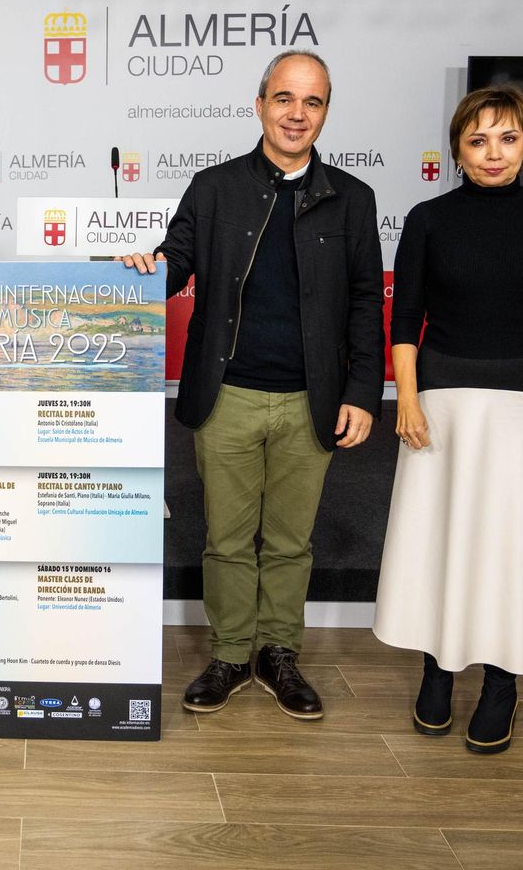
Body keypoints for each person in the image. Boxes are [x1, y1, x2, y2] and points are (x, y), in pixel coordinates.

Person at [121, 49, 384, 720]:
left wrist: (361, 392)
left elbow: (363, 302)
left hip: (313, 400)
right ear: (260, 102)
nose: (298, 114)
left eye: (313, 101)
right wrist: (145, 266)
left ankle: (279, 655)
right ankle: (231, 654)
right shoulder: (214, 189)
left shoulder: (354, 200)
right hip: (228, 395)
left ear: (325, 111)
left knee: (292, 541)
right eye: (285, 98)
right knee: (228, 540)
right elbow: (174, 262)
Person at [372, 84, 523, 755]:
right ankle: (437, 670)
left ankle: (502, 683)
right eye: (478, 140)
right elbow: (404, 317)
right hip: (440, 404)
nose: (492, 153)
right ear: (458, 150)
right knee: (441, 541)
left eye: (507, 139)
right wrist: (405, 398)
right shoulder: (428, 218)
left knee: (509, 549)